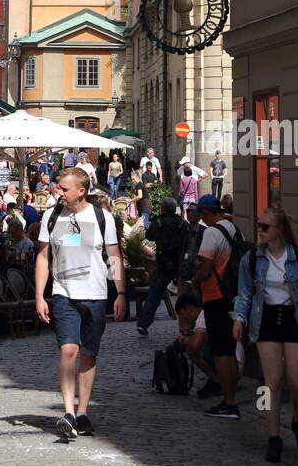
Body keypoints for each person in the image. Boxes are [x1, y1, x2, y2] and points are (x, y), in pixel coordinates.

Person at [35, 169, 126, 441]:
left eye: (63, 189)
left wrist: (120, 292)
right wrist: (41, 295)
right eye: (58, 188)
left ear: (81, 190)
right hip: (63, 293)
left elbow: (114, 256)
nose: (58, 192)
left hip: (95, 293)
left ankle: (83, 411)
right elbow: (42, 257)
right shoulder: (50, 217)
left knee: (89, 353)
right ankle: (68, 413)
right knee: (68, 350)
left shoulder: (102, 217)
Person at [232, 207, 298, 462]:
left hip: (293, 319)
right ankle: (273, 437)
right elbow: (245, 292)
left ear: (279, 230)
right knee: (273, 381)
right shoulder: (253, 259)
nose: (259, 229)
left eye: (265, 226)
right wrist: (239, 318)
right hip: (265, 319)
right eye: (259, 225)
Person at [195, 195, 242, 419]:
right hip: (233, 295)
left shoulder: (211, 233)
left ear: (206, 213)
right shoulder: (233, 229)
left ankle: (229, 401)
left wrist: (193, 278)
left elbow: (205, 270)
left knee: (221, 353)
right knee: (230, 351)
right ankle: (230, 398)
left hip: (215, 295)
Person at [136, 197, 187, 336]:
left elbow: (149, 236)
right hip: (179, 261)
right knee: (186, 294)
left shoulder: (158, 223)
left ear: (163, 209)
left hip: (163, 261)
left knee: (154, 294)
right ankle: (189, 324)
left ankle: (143, 324)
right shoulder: (182, 223)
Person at [177, 203, 204, 296]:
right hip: (184, 269)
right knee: (182, 299)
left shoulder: (204, 231)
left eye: (193, 211)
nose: (190, 213)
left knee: (196, 299)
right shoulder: (183, 230)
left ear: (199, 216)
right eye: (188, 211)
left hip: (197, 271)